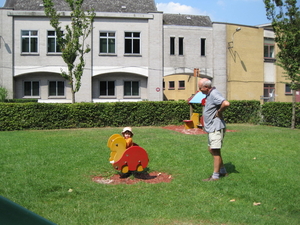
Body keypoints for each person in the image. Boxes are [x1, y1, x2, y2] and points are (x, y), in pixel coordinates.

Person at [198, 78, 230, 181]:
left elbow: (226, 103)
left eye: (200, 88)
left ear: (206, 87)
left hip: (216, 126)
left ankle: (215, 176)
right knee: (212, 149)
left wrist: (220, 112)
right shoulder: (209, 94)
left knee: (214, 150)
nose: (199, 90)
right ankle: (223, 171)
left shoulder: (214, 94)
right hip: (212, 127)